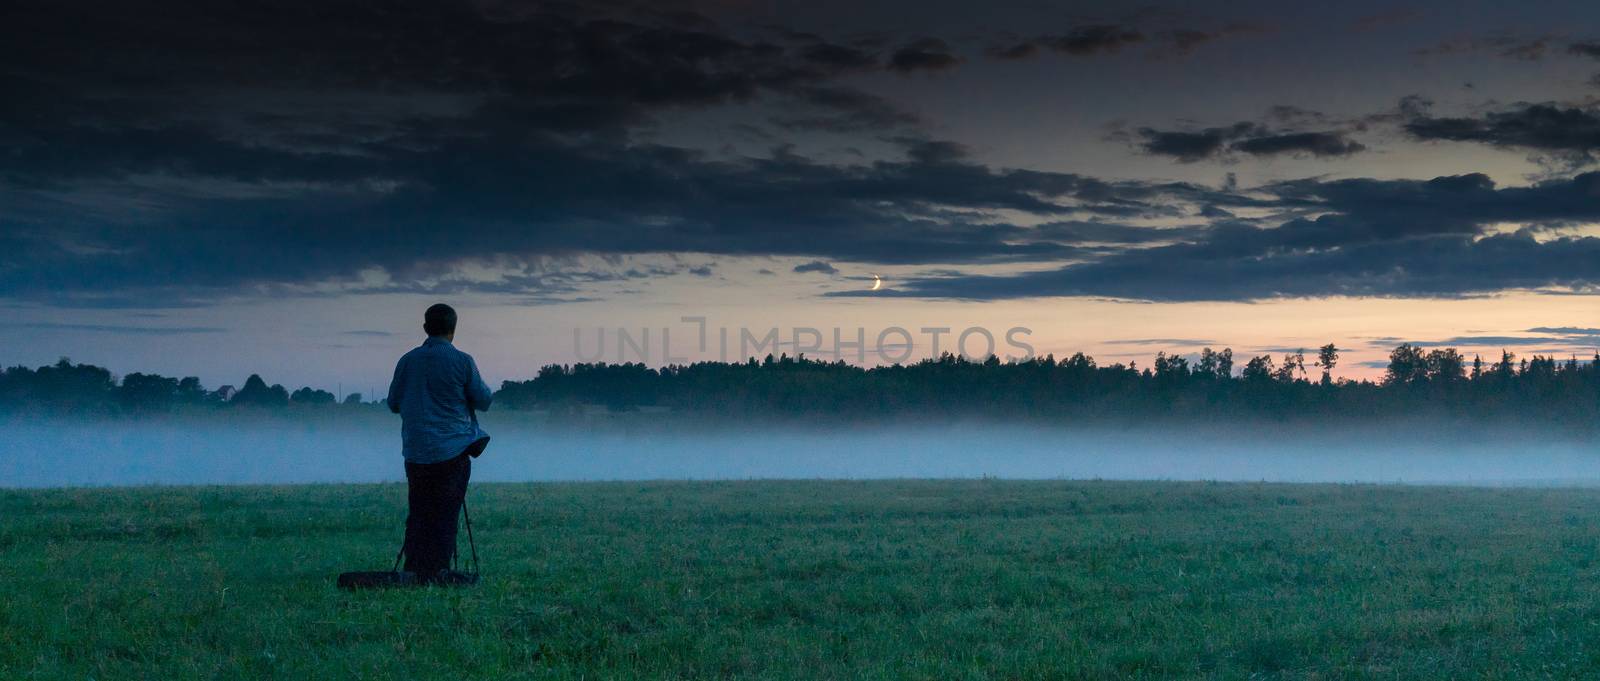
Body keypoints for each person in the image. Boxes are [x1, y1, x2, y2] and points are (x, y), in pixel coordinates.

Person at [386, 303, 492, 582]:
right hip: (452, 451)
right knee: (446, 512)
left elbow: (393, 403)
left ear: (425, 328)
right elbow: (484, 400)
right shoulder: (463, 361)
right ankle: (439, 570)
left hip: (416, 450)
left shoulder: (407, 360)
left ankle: (414, 569)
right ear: (453, 330)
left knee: (419, 510)